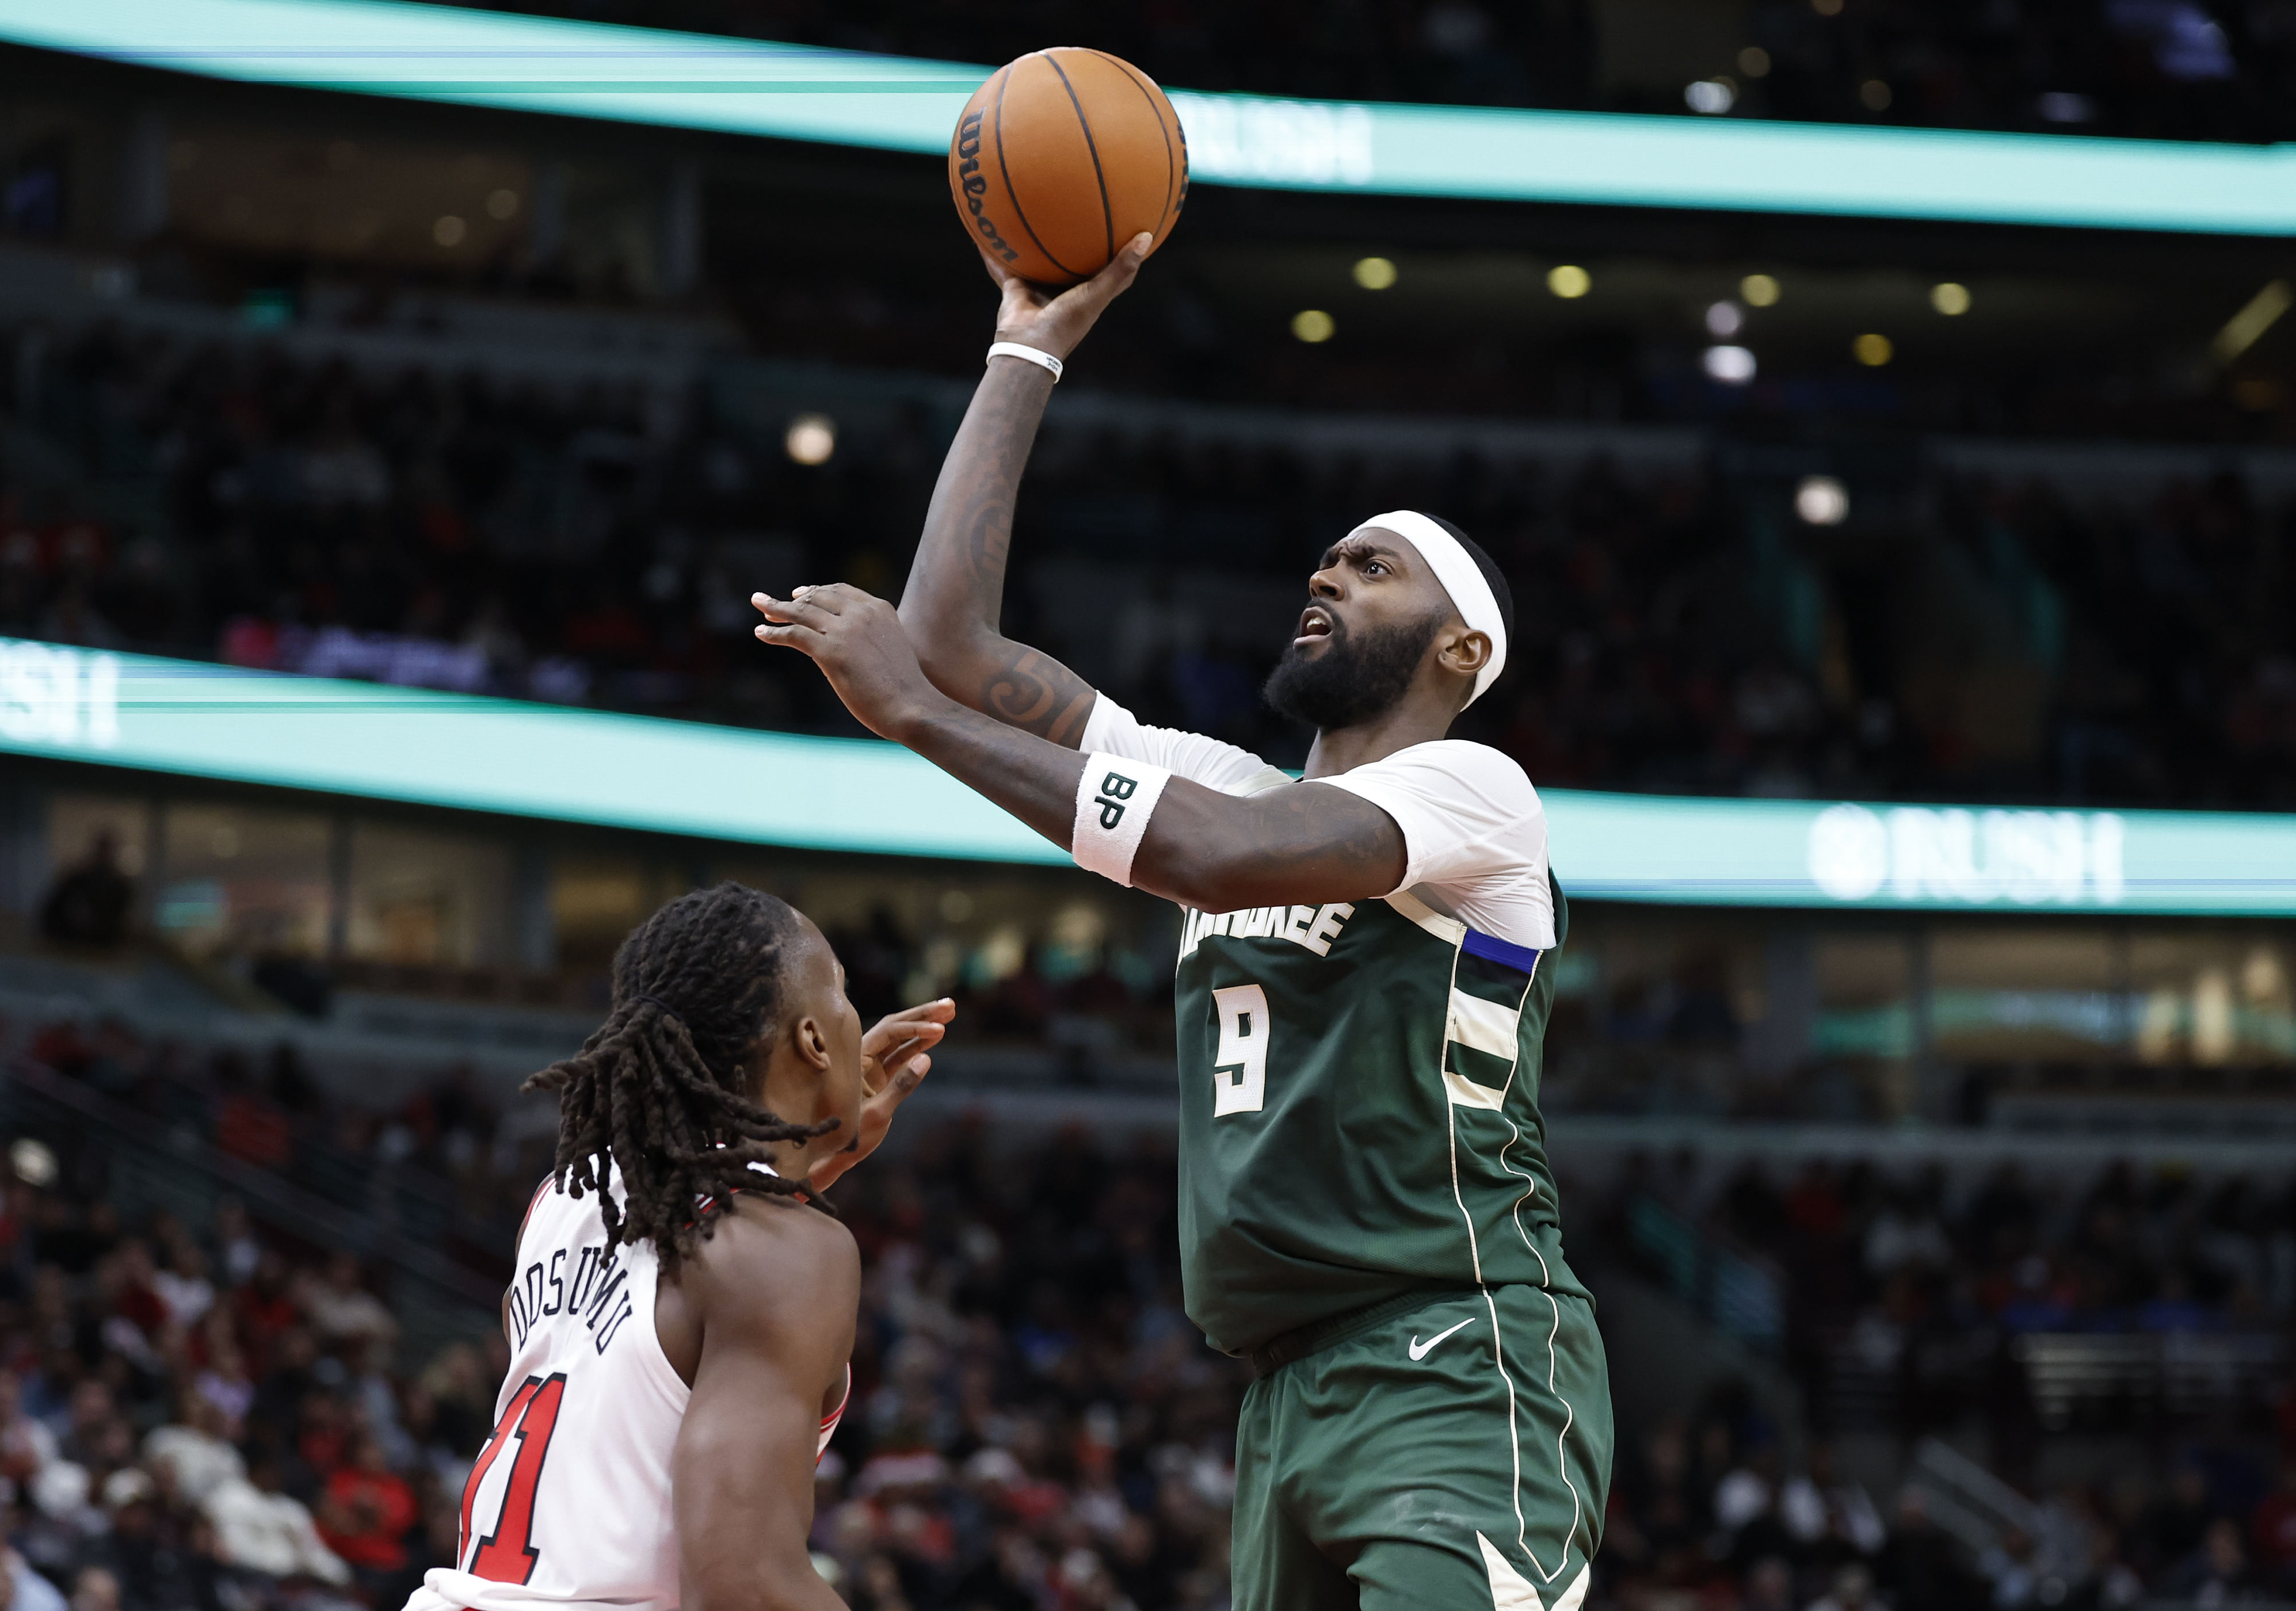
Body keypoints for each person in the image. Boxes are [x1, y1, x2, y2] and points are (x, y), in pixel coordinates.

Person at [750, 239, 1609, 1609]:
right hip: (1284, 1394)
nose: (1325, 577)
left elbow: (1205, 858)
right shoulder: (1223, 778)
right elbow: (955, 644)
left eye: (1374, 569)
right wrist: (1025, 353)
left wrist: (911, 719)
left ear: (1461, 652)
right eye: (1326, 559)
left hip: (1458, 1357)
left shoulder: (1473, 795)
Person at [405, 884, 953, 1611]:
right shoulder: (786, 1254)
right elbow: (743, 1586)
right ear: (815, 1041)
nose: (859, 1018)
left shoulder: (567, 1196)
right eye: (844, 993)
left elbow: (658, 1319)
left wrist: (810, 1154)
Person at [38, 833, 131, 949]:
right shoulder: (75, 879)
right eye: (101, 849)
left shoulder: (119, 887)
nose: (103, 854)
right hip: (68, 945)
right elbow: (50, 914)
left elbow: (118, 924)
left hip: (100, 950)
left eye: (107, 849)